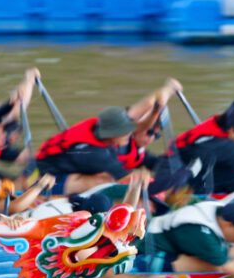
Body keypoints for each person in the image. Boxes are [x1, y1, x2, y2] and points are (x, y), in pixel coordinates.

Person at [36, 80, 180, 195]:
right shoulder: (96, 154)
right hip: (49, 180)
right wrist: (165, 188)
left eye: (156, 135)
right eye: (126, 131)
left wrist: (165, 93)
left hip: (70, 168)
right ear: (113, 135)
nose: (131, 133)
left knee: (111, 180)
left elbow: (143, 115)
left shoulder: (111, 128)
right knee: (107, 181)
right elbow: (128, 179)